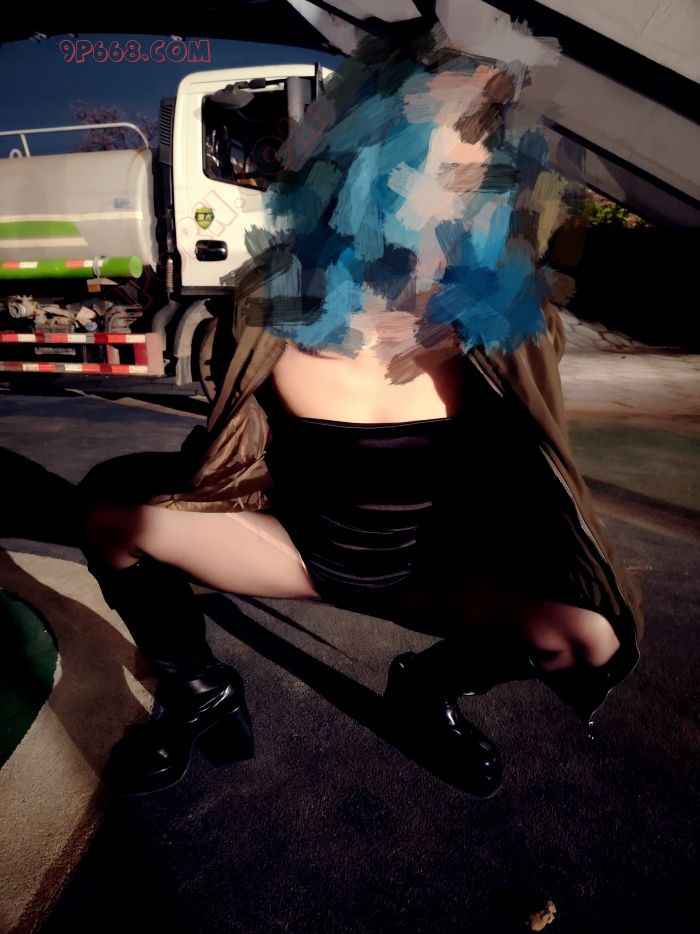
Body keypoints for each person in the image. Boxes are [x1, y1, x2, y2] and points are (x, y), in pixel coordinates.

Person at [78, 35, 644, 798]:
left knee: (590, 635)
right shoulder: (267, 305)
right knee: (111, 520)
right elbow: (234, 441)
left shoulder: (508, 323)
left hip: (434, 577)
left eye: (476, 185)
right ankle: (197, 692)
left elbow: (541, 466)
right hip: (297, 555)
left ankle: (425, 688)